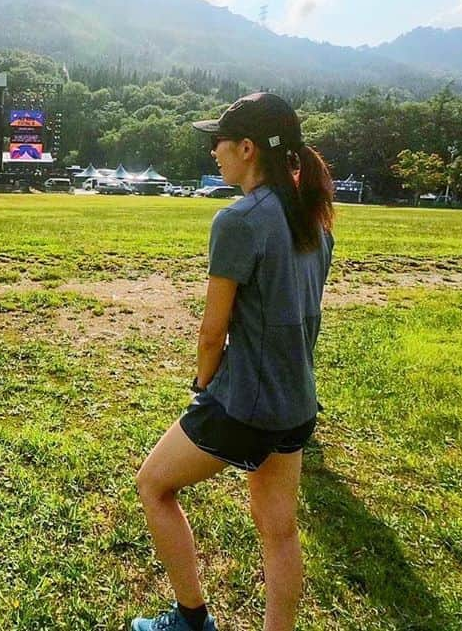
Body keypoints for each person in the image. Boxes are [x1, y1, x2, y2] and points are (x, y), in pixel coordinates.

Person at [130, 93, 335, 631]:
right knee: (279, 530)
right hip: (296, 404)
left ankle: (191, 620)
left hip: (245, 404)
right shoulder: (317, 220)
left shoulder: (239, 220)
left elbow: (211, 332)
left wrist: (202, 386)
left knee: (153, 485)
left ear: (246, 148)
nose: (213, 152)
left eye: (218, 142)